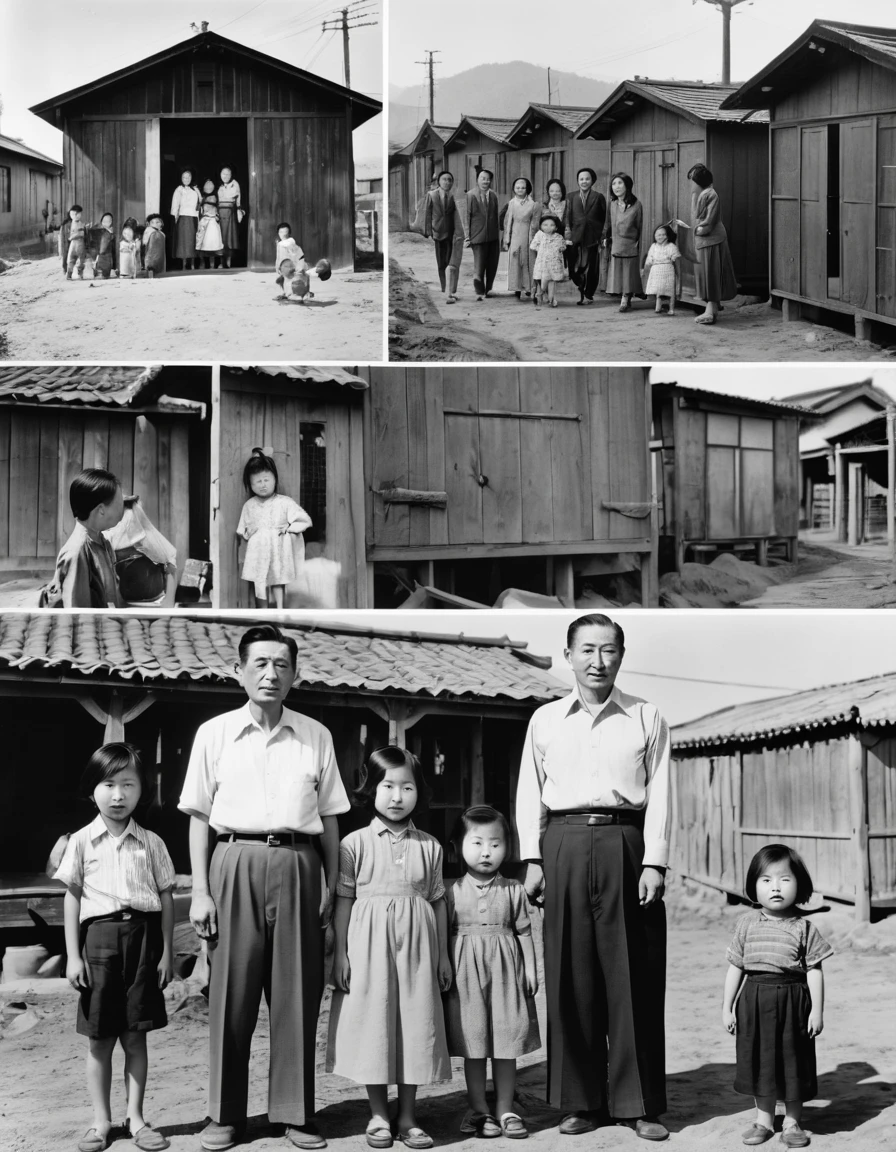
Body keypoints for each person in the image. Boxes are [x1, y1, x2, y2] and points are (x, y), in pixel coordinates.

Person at [180, 623, 349, 1152]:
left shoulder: (315, 735)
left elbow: (331, 818)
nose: (270, 673)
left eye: (281, 664)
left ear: (295, 674)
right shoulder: (214, 733)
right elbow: (198, 818)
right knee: (231, 992)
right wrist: (202, 891)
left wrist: (329, 880)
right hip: (233, 860)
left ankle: (294, 1113)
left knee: (297, 992)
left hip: (300, 863)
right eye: (259, 663)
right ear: (239, 671)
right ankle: (224, 1115)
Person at [516, 613, 670, 1142]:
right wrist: (532, 859)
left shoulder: (646, 716)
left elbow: (663, 793)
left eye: (608, 650)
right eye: (586, 650)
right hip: (561, 841)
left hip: (626, 842)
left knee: (635, 977)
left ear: (620, 656)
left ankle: (638, 1101)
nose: (597, 661)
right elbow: (528, 791)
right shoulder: (545, 720)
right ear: (568, 655)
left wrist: (655, 861)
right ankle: (580, 1101)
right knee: (570, 976)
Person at [327, 747, 452, 1150]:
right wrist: (341, 955)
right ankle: (379, 1113)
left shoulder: (430, 846)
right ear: (371, 789)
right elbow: (344, 901)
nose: (397, 796)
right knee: (374, 1024)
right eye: (388, 786)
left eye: (407, 787)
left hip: (418, 950)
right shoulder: (353, 844)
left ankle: (409, 1115)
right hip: (368, 950)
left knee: (417, 1024)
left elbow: (437, 901)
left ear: (419, 792)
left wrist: (443, 955)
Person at [54, 743, 175, 1152]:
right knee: (100, 1039)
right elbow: (72, 896)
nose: (118, 795)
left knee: (136, 1037)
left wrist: (167, 952)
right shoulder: (82, 842)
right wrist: (72, 956)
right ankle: (100, 1121)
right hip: (98, 943)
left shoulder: (152, 843)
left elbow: (166, 896)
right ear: (93, 790)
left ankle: (137, 1119)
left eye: (128, 784)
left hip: (143, 940)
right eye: (109, 784)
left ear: (143, 790)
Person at [723, 845, 833, 1149]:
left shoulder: (804, 928)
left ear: (799, 884)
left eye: (785, 879)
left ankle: (793, 1121)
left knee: (793, 1061)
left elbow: (815, 971)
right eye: (766, 880)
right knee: (761, 1062)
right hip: (754, 1001)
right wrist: (727, 1007)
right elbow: (736, 967)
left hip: (794, 1002)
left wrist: (818, 1012)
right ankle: (763, 1121)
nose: (775, 887)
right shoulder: (746, 924)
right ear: (753, 886)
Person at [443, 806, 539, 1140]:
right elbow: (443, 935)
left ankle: (505, 1107)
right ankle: (479, 1108)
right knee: (474, 1041)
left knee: (506, 1039)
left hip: (506, 971)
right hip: (465, 973)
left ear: (507, 847)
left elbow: (524, 931)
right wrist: (444, 965)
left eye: (496, 844)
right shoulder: (450, 891)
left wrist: (531, 967)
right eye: (478, 843)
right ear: (457, 846)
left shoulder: (513, 889)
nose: (487, 852)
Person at [236, 447, 312, 607]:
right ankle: (262, 611)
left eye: (266, 480)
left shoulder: (284, 502)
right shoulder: (249, 505)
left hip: (278, 549)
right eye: (258, 481)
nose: (263, 485)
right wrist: (249, 534)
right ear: (250, 484)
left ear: (274, 480)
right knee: (259, 580)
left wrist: (289, 529)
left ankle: (280, 609)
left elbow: (304, 520)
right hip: (258, 550)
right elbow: (242, 529)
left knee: (278, 579)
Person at [46, 469, 125, 609]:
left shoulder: (102, 542)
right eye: (119, 503)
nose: (123, 509)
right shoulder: (76, 552)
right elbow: (77, 612)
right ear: (101, 510)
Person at [679, 162, 738, 325]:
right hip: (703, 240)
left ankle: (710, 311)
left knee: (711, 274)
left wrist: (698, 230)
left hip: (711, 239)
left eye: (693, 180)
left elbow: (709, 221)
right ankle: (713, 306)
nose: (690, 183)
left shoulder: (710, 194)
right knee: (707, 274)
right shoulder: (699, 194)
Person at [564, 168, 606, 305]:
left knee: (592, 266)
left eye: (587, 179)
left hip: (593, 235)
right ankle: (579, 282)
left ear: (592, 180)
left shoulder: (599, 197)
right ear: (577, 181)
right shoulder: (571, 196)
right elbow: (567, 216)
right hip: (575, 235)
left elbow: (604, 217)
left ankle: (589, 293)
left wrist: (602, 236)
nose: (584, 181)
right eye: (581, 179)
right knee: (573, 266)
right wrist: (567, 234)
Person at [603, 173, 643, 312]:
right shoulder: (612, 204)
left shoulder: (637, 205)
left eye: (620, 183)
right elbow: (608, 223)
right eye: (614, 184)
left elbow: (639, 226)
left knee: (629, 272)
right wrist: (605, 237)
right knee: (618, 273)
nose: (617, 187)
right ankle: (624, 295)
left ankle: (626, 298)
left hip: (630, 243)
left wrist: (636, 242)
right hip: (616, 242)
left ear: (627, 185)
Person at [423, 170, 463, 303]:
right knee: (441, 262)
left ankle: (450, 289)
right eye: (444, 179)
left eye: (449, 180)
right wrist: (428, 231)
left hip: (450, 232)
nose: (447, 182)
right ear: (439, 181)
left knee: (449, 261)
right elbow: (427, 213)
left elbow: (456, 215)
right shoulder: (432, 195)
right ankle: (444, 287)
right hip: (437, 231)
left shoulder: (453, 196)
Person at [463, 168, 501, 301]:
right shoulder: (471, 195)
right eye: (482, 178)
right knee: (479, 264)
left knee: (492, 263)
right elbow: (467, 216)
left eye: (488, 179)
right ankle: (479, 290)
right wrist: (467, 236)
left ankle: (488, 289)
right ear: (477, 179)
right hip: (477, 236)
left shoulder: (493, 195)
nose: (485, 181)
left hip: (493, 236)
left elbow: (495, 217)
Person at [503, 176, 540, 300]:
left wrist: (533, 238)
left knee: (528, 259)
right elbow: (507, 221)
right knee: (515, 258)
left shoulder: (533, 204)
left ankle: (528, 286)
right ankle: (516, 287)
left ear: (527, 189)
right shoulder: (511, 203)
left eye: (523, 187)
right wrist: (506, 239)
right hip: (515, 233)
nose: (520, 189)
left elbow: (535, 222)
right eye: (517, 187)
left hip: (527, 233)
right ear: (514, 188)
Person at [530, 213, 569, 308]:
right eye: (545, 225)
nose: (548, 227)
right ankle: (539, 293)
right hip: (542, 263)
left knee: (551, 281)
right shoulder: (540, 235)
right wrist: (542, 248)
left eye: (552, 225)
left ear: (556, 228)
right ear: (541, 226)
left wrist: (560, 248)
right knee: (542, 282)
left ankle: (551, 299)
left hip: (554, 264)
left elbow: (563, 247)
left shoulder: (558, 237)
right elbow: (533, 246)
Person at [643, 224, 681, 316]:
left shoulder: (671, 246)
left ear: (668, 235)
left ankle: (671, 308)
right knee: (658, 290)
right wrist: (646, 266)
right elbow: (649, 258)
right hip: (656, 270)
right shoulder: (653, 246)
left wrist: (674, 260)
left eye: (663, 234)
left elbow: (675, 257)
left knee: (670, 291)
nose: (660, 237)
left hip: (668, 270)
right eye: (658, 235)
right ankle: (658, 306)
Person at [170, 168, 201, 270]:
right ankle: (183, 265)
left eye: (188, 177)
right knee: (183, 241)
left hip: (193, 218)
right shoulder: (179, 189)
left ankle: (192, 264)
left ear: (191, 178)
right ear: (181, 178)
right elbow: (175, 205)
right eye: (184, 177)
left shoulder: (195, 190)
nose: (186, 179)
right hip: (183, 218)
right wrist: (175, 217)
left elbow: (200, 203)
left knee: (192, 240)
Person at [217, 166, 243, 268]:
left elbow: (237, 200)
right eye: (223, 174)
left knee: (230, 238)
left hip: (230, 213)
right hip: (220, 213)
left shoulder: (235, 184)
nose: (225, 176)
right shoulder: (219, 186)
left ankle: (229, 261)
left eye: (228, 174)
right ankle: (221, 261)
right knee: (221, 238)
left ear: (231, 175)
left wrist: (240, 211)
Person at [195, 191, 224, 269]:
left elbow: (217, 213)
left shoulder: (215, 204)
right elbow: (199, 212)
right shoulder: (202, 203)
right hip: (205, 223)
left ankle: (217, 263)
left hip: (213, 223)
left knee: (215, 243)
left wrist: (217, 217)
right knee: (205, 244)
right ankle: (207, 264)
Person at [62, 204, 88, 279]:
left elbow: (82, 234)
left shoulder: (81, 224)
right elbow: (71, 236)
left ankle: (80, 274)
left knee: (80, 260)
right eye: (73, 214)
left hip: (79, 243)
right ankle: (69, 273)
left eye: (78, 213)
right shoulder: (69, 224)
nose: (76, 215)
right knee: (71, 259)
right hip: (73, 244)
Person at [91, 213, 117, 280]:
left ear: (111, 222)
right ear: (101, 222)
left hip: (107, 257)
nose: (106, 223)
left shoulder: (110, 233)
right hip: (101, 257)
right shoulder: (99, 231)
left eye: (109, 221)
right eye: (104, 221)